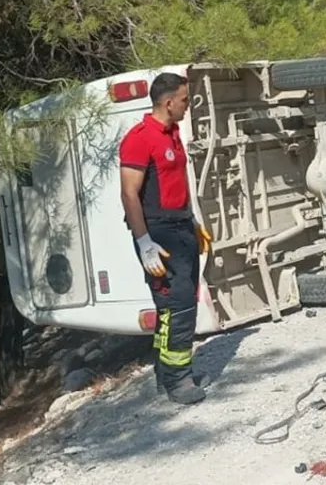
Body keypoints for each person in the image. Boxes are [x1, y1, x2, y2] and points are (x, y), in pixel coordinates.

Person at [118, 72, 214, 405]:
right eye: (185, 100)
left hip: (181, 227)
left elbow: (177, 184)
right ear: (168, 102)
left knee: (174, 307)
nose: (188, 107)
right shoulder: (139, 138)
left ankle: (165, 372)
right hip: (158, 234)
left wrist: (194, 220)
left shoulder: (173, 134)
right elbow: (129, 194)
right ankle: (178, 381)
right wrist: (144, 243)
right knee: (178, 306)